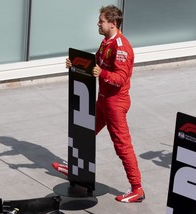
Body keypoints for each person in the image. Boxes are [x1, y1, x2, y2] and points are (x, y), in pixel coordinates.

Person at [52, 5, 145, 203]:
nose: (98, 24)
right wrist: (75, 63)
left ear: (113, 23)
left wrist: (102, 74)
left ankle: (137, 188)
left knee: (122, 145)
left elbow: (120, 78)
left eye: (101, 21)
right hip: (103, 99)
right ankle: (74, 167)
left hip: (115, 103)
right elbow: (95, 61)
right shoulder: (106, 42)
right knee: (84, 131)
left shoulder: (122, 47)